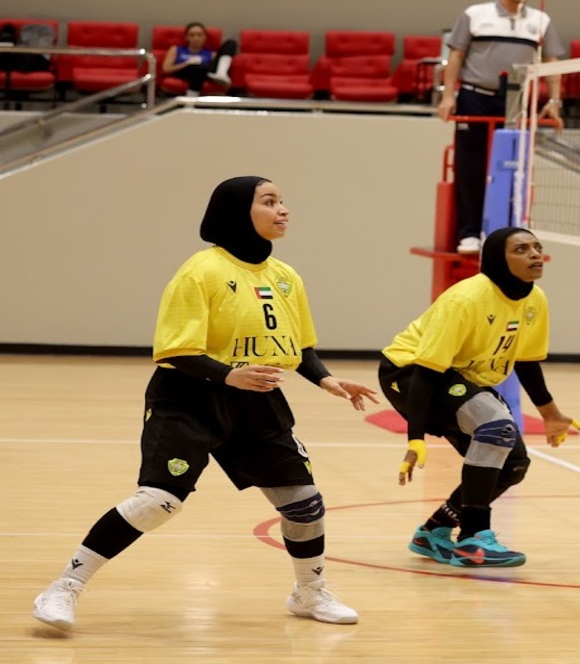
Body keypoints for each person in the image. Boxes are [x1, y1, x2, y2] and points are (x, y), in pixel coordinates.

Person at [32, 176, 380, 633]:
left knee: (304, 503)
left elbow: (300, 345)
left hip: (258, 399)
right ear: (239, 212)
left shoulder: (285, 277)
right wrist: (229, 375)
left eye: (282, 201)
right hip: (189, 397)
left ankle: (308, 592)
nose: (283, 210)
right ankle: (64, 586)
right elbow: (174, 350)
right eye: (270, 201)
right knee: (159, 502)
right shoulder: (201, 271)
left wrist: (327, 380)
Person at [379, 226, 577, 568]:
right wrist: (416, 437)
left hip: (464, 377)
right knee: (496, 427)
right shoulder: (466, 298)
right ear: (498, 260)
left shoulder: (535, 300)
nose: (534, 254)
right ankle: (473, 538)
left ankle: (433, 531)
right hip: (409, 372)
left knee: (513, 465)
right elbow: (427, 373)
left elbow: (527, 362)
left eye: (537, 247)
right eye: (521, 249)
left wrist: (551, 413)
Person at [436, 0, 565, 255]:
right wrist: (448, 96)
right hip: (474, 96)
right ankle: (469, 233)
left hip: (515, 100)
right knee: (470, 165)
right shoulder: (475, 14)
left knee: (511, 167)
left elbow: (554, 63)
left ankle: (504, 233)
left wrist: (555, 100)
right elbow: (455, 56)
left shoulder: (540, 20)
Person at [162, 21, 237, 91]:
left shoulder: (211, 54)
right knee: (197, 69)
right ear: (186, 37)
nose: (196, 38)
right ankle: (191, 101)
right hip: (184, 72)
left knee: (231, 43)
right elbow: (166, 69)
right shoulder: (176, 50)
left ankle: (221, 74)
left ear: (204, 37)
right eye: (192, 35)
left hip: (205, 73)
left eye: (199, 35)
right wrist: (187, 63)